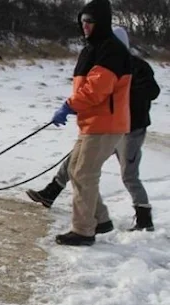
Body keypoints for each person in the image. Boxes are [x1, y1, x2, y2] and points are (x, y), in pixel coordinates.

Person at [27, 25, 160, 234]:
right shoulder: (102, 63)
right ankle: (52, 192)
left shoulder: (137, 66)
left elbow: (153, 91)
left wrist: (122, 91)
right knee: (77, 162)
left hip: (131, 130)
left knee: (128, 175)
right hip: (105, 126)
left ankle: (144, 218)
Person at [35, 0, 132, 246]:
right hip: (93, 123)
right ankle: (101, 220)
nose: (85, 26)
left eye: (89, 22)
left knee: (84, 173)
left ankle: (83, 231)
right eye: (82, 22)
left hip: (105, 124)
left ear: (101, 23)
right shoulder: (94, 47)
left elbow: (95, 90)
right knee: (75, 170)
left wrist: (69, 105)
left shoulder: (111, 49)